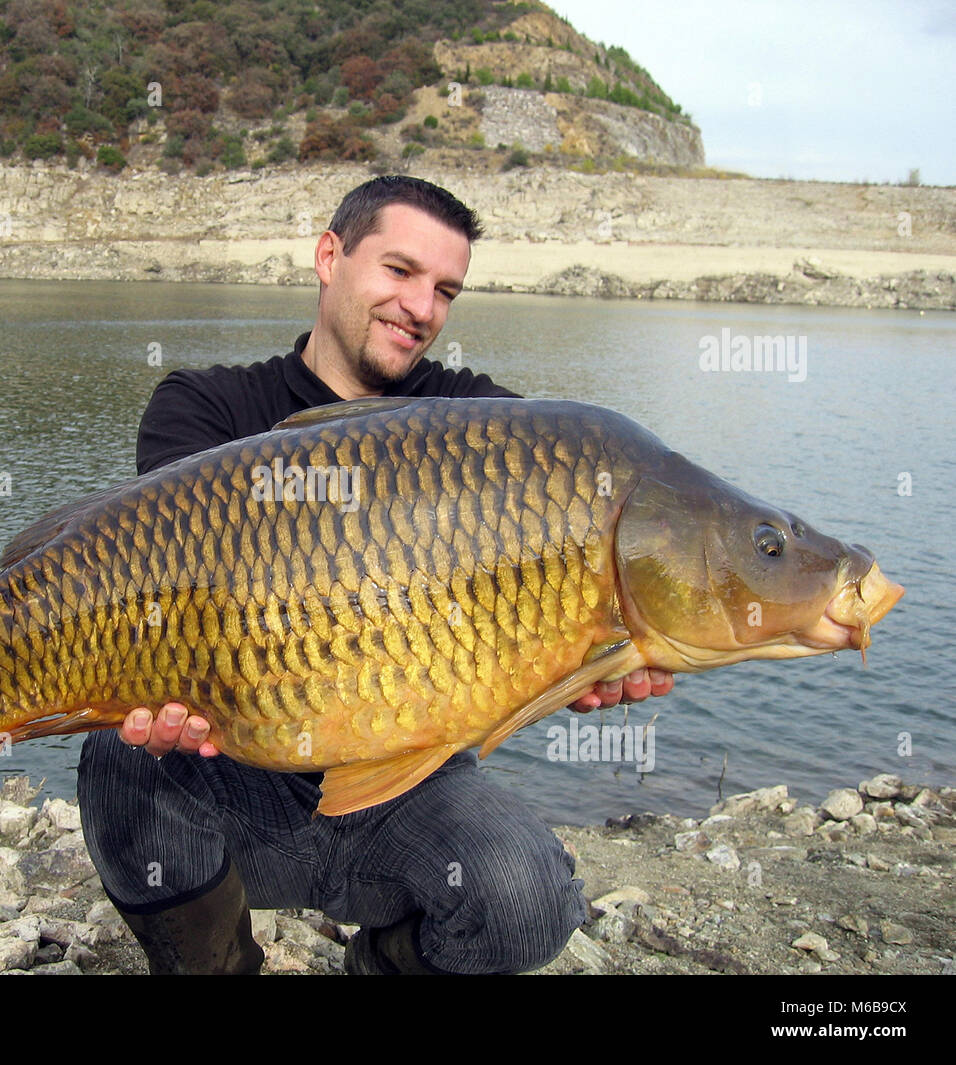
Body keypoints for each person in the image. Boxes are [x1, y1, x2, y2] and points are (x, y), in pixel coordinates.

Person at [77, 175, 673, 974]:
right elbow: (165, 592)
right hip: (238, 778)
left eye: (445, 289)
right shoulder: (205, 408)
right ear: (330, 256)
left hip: (408, 789)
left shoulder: (487, 427)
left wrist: (581, 657)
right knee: (120, 759)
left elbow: (549, 578)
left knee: (528, 897)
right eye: (399, 271)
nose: (421, 307)